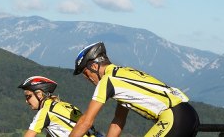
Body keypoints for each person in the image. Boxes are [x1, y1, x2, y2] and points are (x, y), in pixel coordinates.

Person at [69, 42, 200, 137]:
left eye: (86, 73)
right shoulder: (123, 74)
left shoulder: (108, 80)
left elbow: (86, 122)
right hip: (188, 114)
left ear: (94, 66)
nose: (88, 79)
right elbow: (118, 121)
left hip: (173, 118)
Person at [18, 76, 103, 137]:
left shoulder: (45, 111)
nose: (26, 101)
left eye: (28, 96)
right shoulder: (63, 105)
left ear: (39, 94)